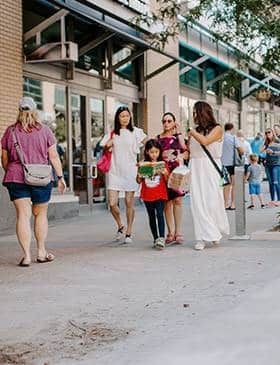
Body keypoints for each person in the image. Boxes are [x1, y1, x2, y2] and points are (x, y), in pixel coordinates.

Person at [1, 97, 66, 267]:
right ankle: (42, 252)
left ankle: (26, 256)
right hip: (41, 177)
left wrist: (12, 171)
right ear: (35, 111)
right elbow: (53, 156)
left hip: (16, 177)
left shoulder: (10, 131)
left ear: (19, 111)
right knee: (40, 214)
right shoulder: (45, 131)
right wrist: (60, 177)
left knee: (23, 215)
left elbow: (4, 158)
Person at [101, 106, 147, 243]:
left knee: (128, 202)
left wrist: (144, 161)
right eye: (122, 116)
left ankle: (129, 232)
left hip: (130, 172)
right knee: (112, 203)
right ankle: (120, 225)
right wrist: (107, 145)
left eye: (127, 116)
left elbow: (150, 144)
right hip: (115, 172)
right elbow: (103, 147)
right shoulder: (113, 133)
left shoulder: (136, 132)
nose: (125, 118)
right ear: (118, 118)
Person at [188, 101, 229, 250]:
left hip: (211, 168)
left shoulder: (217, 129)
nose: (194, 116)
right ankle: (201, 238)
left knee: (212, 200)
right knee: (197, 203)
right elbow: (190, 151)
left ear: (203, 113)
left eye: (195, 113)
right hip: (196, 167)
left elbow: (205, 141)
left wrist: (192, 132)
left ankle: (214, 231)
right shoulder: (195, 131)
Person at [156, 112, 186, 245]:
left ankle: (179, 232)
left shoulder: (177, 137)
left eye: (169, 121)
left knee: (178, 200)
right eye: (164, 121)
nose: (166, 123)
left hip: (177, 171)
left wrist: (179, 133)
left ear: (174, 122)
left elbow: (185, 149)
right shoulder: (158, 138)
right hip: (164, 171)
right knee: (167, 203)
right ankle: (170, 232)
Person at [136, 139, 169, 250]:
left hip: (160, 193)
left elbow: (168, 180)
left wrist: (164, 173)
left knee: (159, 213)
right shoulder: (143, 164)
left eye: (156, 152)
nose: (154, 154)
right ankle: (155, 238)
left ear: (159, 152)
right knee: (151, 216)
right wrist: (140, 175)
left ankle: (161, 238)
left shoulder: (163, 163)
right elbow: (138, 181)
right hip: (147, 194)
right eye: (151, 152)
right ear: (147, 152)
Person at [221, 123, 244, 210]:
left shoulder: (220, 138)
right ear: (232, 129)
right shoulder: (233, 138)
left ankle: (225, 204)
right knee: (234, 184)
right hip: (232, 164)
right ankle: (233, 204)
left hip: (222, 165)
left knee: (224, 184)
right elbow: (241, 151)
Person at [260, 128, 280, 206]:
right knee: (271, 183)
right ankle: (272, 200)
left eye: (269, 132)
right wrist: (264, 141)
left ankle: (279, 200)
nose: (267, 134)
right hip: (268, 165)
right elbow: (260, 150)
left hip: (276, 164)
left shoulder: (277, 141)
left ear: (273, 133)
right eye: (266, 133)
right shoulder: (266, 143)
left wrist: (273, 152)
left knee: (276, 182)